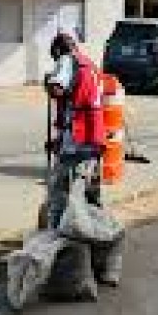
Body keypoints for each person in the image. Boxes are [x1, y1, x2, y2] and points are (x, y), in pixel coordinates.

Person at [44, 32, 105, 229]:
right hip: (94, 137)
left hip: (77, 141)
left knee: (59, 192)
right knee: (89, 193)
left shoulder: (67, 60)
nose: (57, 62)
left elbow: (57, 88)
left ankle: (56, 237)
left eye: (56, 57)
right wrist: (58, 141)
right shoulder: (90, 65)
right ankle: (96, 234)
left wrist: (49, 82)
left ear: (59, 51)